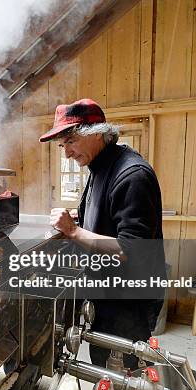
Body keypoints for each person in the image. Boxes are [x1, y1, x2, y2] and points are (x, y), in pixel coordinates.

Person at [40, 98, 165, 369]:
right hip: (106, 293)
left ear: (96, 133)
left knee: (124, 375)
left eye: (70, 141)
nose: (67, 154)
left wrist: (73, 231)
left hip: (127, 304)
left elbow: (130, 250)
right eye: (63, 145)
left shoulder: (132, 175)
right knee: (102, 366)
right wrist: (81, 218)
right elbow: (108, 217)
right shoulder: (100, 168)